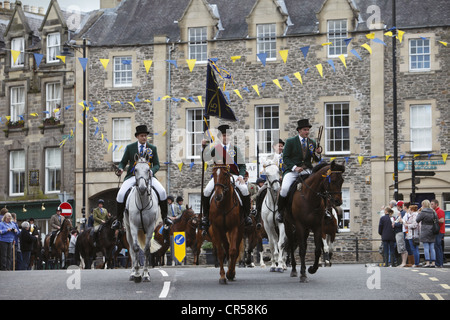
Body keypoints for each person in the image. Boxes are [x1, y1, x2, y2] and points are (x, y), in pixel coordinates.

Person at [115, 125, 171, 228]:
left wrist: (151, 171)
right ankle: (118, 220)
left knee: (162, 192)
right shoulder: (130, 148)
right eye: (142, 136)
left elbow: (157, 164)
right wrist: (121, 168)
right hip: (132, 176)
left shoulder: (152, 148)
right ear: (137, 136)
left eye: (145, 136)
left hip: (148, 177)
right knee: (121, 194)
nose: (144, 138)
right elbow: (123, 162)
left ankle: (165, 218)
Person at [201, 124, 253, 230]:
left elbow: (242, 166)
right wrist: (204, 147)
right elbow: (205, 158)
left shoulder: (235, 149)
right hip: (219, 177)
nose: (226, 137)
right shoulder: (216, 149)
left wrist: (241, 176)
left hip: (233, 176)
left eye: (228, 135)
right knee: (206, 191)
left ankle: (247, 215)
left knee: (244, 189)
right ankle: (206, 216)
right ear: (220, 137)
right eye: (224, 135)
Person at [277, 119, 321, 222]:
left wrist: (318, 153)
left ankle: (324, 211)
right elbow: (286, 158)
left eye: (308, 130)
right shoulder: (290, 141)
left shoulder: (312, 143)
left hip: (307, 170)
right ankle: (281, 212)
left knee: (319, 186)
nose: (307, 132)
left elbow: (315, 159)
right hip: (292, 171)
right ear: (299, 130)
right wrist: (294, 167)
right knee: (284, 189)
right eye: (305, 130)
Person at [255, 139, 284, 221]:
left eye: (282, 146)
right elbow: (264, 170)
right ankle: (258, 213)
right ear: (273, 147)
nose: (280, 147)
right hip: (270, 181)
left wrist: (281, 176)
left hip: (282, 181)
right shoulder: (268, 157)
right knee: (260, 192)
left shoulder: (285, 156)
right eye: (279, 146)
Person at [416, 200, 437, 268]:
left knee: (426, 247)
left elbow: (417, 220)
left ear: (424, 205)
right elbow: (436, 219)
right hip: (432, 230)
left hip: (425, 229)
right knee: (432, 247)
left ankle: (427, 262)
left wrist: (419, 213)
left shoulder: (423, 212)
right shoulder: (433, 211)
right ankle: (433, 263)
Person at [431, 199, 445, 268]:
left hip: (439, 231)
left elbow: (442, 220)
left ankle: (439, 263)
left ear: (436, 204)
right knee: (437, 247)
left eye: (432, 204)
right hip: (436, 231)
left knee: (437, 247)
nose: (431, 205)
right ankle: (439, 263)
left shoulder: (440, 211)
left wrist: (434, 220)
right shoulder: (434, 211)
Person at [393, 202, 408, 267]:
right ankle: (403, 262)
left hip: (400, 232)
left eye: (397, 206)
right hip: (399, 232)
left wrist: (394, 224)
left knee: (401, 247)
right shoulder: (401, 213)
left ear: (399, 206)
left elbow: (401, 223)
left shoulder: (402, 213)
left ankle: (404, 262)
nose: (396, 207)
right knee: (401, 247)